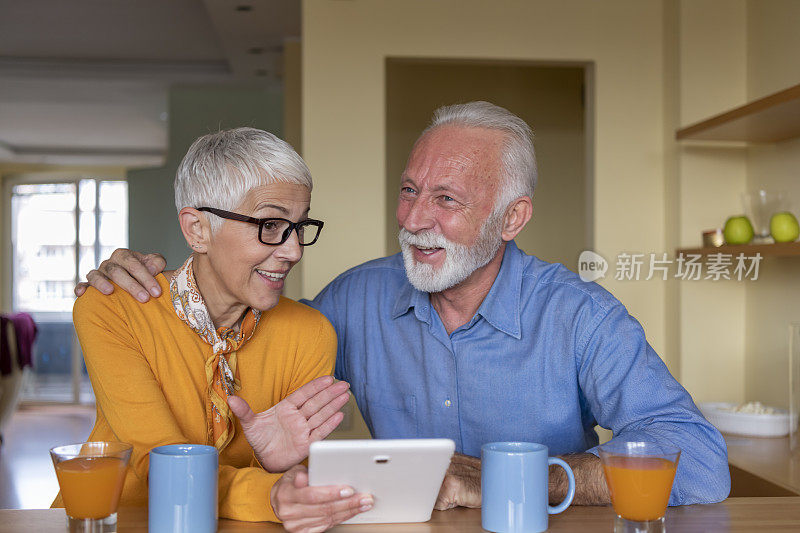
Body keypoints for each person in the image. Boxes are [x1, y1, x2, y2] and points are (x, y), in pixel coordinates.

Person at [77, 102, 730, 519]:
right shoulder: (350, 303)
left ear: (512, 217)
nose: (415, 219)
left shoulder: (581, 316)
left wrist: (519, 478)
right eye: (410, 190)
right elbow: (240, 316)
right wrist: (145, 279)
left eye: (446, 198)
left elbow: (701, 461)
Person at [62, 128, 375, 530]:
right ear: (197, 230)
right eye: (271, 225)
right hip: (116, 522)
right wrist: (268, 492)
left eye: (299, 227)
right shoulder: (113, 308)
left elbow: (293, 492)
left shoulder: (310, 332)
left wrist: (274, 466)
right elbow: (162, 466)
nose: (293, 250)